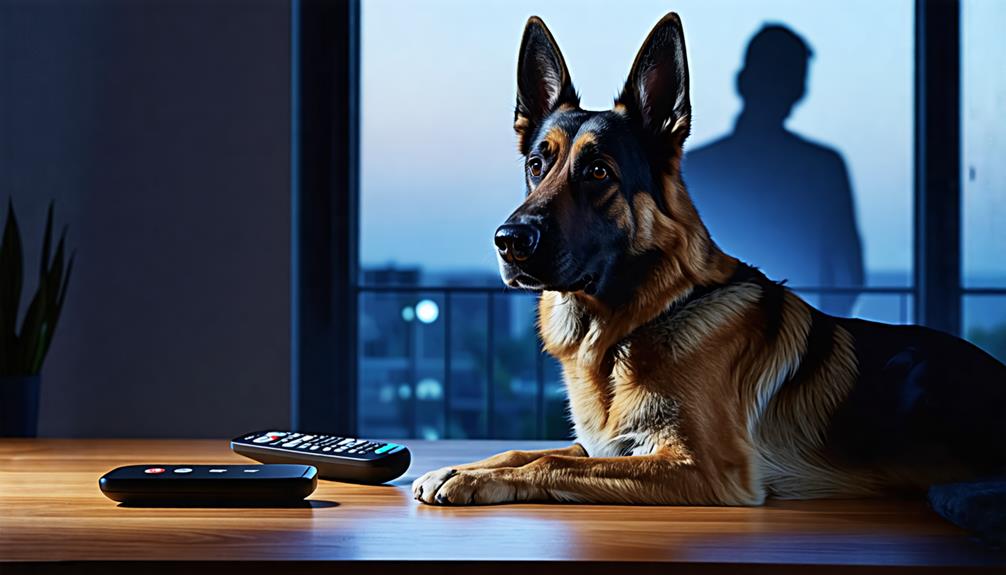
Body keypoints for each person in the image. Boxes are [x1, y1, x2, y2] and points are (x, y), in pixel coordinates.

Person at [685, 25, 864, 316]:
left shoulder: (698, 167)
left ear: (742, 81)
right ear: (799, 91)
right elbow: (847, 272)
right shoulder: (822, 167)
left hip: (716, 335)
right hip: (800, 334)